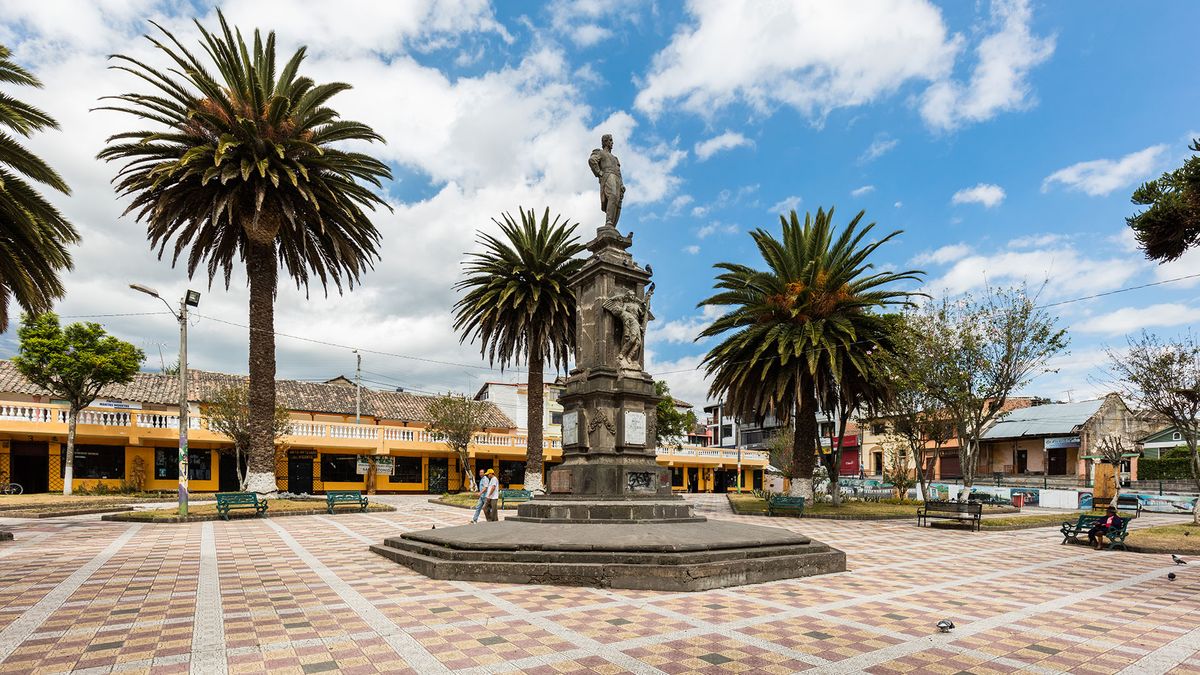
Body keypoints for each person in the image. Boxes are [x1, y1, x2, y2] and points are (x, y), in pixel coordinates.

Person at [588, 133, 625, 229]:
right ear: (605, 142)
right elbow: (592, 160)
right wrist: (599, 173)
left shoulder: (615, 158)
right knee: (612, 196)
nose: (612, 143)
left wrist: (621, 184)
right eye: (610, 140)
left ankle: (612, 225)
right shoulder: (600, 152)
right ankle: (608, 221)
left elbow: (619, 171)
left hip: (616, 178)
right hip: (608, 175)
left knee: (617, 200)